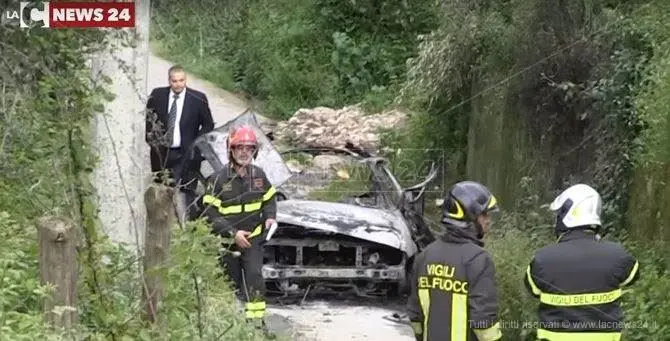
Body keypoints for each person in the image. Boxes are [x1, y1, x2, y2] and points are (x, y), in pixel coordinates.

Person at [524, 184, 640, 341]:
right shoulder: (618, 255)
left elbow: (534, 290)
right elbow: (632, 277)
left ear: (568, 214)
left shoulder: (542, 258)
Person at [199, 124, 277, 337]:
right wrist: (233, 233)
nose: (244, 152)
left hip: (253, 240)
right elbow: (209, 214)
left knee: (254, 278)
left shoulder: (259, 176)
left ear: (254, 151)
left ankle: (256, 326)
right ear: (231, 150)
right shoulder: (217, 180)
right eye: (239, 147)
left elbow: (270, 199)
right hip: (226, 243)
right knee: (230, 282)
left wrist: (270, 217)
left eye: (249, 148)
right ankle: (230, 326)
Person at [407, 180, 503, 341]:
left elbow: (415, 317)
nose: (488, 220)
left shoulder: (424, 256)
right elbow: (484, 324)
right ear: (469, 217)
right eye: (484, 214)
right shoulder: (478, 260)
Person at [145, 64, 214, 216]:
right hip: (163, 152)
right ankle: (163, 222)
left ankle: (186, 223)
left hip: (187, 153)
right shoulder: (157, 95)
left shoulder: (198, 99)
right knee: (162, 190)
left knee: (186, 192)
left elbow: (208, 124)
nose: (178, 84)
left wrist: (196, 144)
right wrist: (152, 139)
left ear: (185, 80)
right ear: (169, 81)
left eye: (181, 80)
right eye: (174, 81)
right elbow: (149, 118)